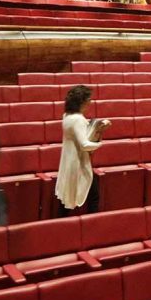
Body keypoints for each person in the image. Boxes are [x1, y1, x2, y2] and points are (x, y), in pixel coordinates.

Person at [56, 85, 109, 215]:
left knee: (68, 197)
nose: (90, 102)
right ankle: (92, 226)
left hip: (69, 162)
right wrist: (100, 144)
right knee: (93, 198)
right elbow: (84, 144)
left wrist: (96, 129)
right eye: (89, 99)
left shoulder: (67, 116)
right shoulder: (78, 119)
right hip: (78, 163)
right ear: (82, 101)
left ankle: (60, 227)